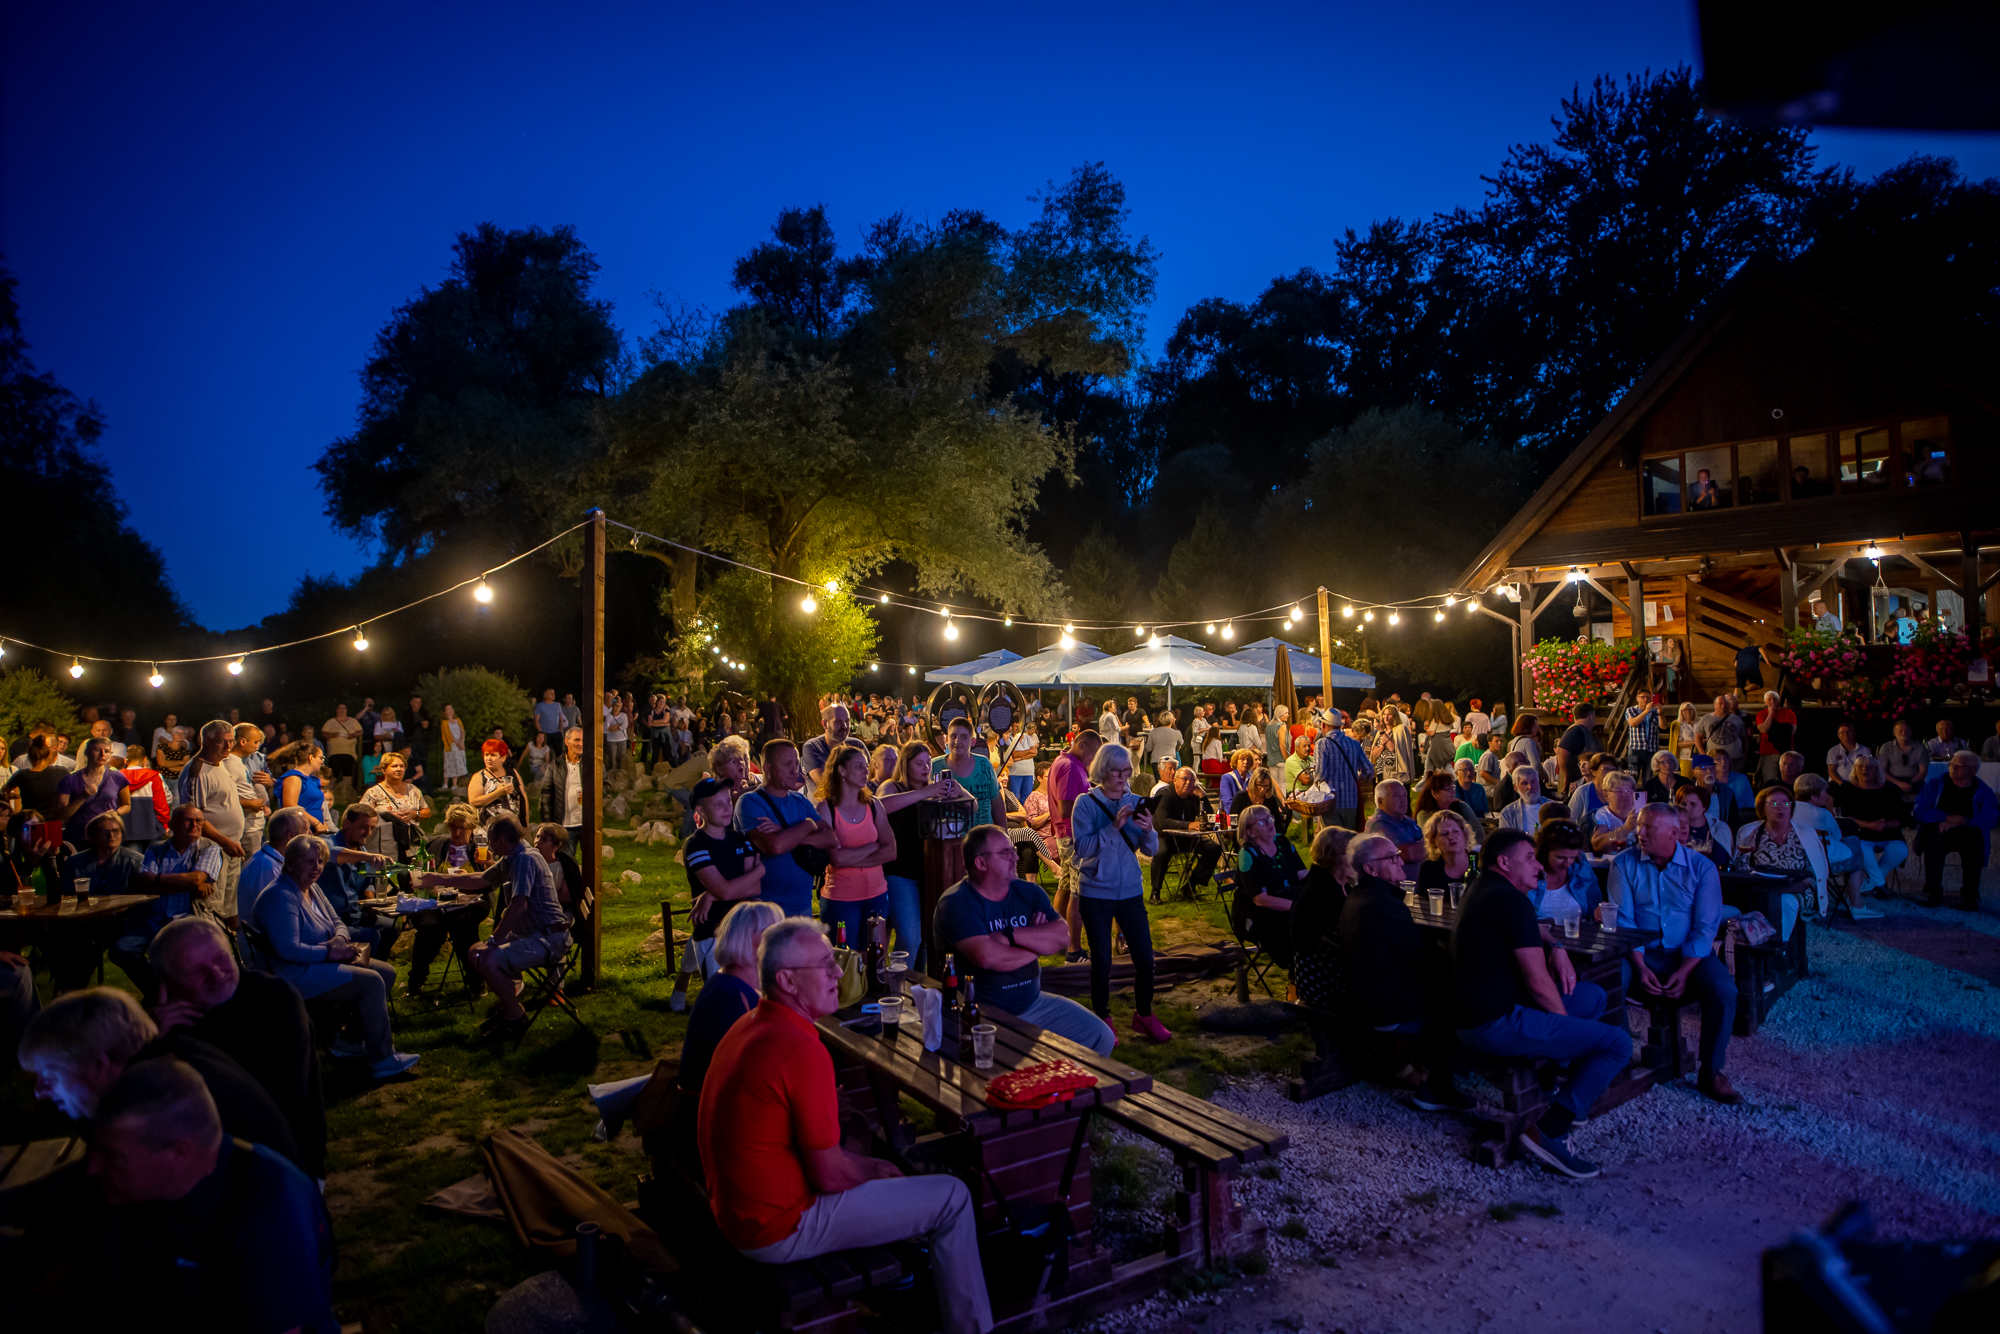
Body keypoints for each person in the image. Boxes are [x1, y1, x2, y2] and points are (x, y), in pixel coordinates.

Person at [700, 919, 992, 1334]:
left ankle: (910, 1279)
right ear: (787, 981)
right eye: (824, 966)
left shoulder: (749, 1025)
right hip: (776, 1228)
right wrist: (878, 1172)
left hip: (737, 1211)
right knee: (952, 1196)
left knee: (873, 1152)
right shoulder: (801, 1049)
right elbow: (830, 1174)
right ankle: (973, 1327)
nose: (839, 972)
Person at [59, 1060, 339, 1334]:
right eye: (94, 1149)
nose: (93, 1166)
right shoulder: (131, 1196)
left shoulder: (269, 1209)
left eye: (111, 1155)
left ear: (180, 1152)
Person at [1451, 829, 1632, 1180]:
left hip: (1480, 1012)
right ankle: (1550, 1130)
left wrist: (1557, 947)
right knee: (1618, 1043)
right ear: (1504, 863)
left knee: (1592, 995)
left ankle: (1553, 1083)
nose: (1538, 866)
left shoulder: (1487, 888)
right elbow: (1537, 981)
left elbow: (1531, 930)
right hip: (1491, 1023)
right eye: (1529, 858)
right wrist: (1567, 1032)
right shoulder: (1509, 900)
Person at [18, 987, 303, 1170]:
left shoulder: (156, 1105)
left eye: (50, 1076)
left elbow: (103, 1185)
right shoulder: (169, 1059)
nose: (40, 1092)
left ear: (100, 1064)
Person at [149, 916, 328, 1180]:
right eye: (196, 971)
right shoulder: (167, 1024)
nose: (216, 975)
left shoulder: (274, 1000)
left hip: (281, 1166)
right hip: (204, 1172)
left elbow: (280, 1099)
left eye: (221, 959)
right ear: (168, 985)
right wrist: (152, 1042)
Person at [936, 824, 1117, 1055]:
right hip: (980, 1012)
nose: (1016, 856)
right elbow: (988, 958)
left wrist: (1011, 936)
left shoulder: (1028, 892)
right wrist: (1037, 942)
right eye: (1006, 853)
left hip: (1034, 1003)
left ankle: (1067, 1088)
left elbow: (1062, 937)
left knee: (1101, 1037)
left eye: (1012, 849)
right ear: (980, 863)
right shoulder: (956, 903)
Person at [252, 833, 416, 1078]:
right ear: (292, 863)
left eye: (320, 861)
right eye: (309, 862)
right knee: (371, 982)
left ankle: (348, 1040)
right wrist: (330, 951)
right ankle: (381, 1059)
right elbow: (289, 950)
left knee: (387, 971)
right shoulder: (281, 895)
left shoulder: (312, 888)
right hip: (296, 972)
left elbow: (337, 921)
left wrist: (339, 940)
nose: (316, 867)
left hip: (318, 960)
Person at [1608, 804, 1740, 1103]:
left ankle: (1711, 1070)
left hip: (1689, 955)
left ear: (1674, 833)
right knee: (1609, 979)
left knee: (1724, 990)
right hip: (1640, 952)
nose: (1639, 833)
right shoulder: (1623, 863)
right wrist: (1640, 966)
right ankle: (1619, 1059)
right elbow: (1624, 921)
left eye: (1648, 828)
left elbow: (1706, 927)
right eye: (1639, 826)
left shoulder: (1701, 868)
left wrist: (1684, 970)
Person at [1341, 833, 1473, 1110]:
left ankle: (1414, 1066)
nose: (1399, 860)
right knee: (1463, 1001)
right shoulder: (1381, 905)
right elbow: (1425, 955)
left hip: (1369, 993)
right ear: (1370, 869)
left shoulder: (1364, 897)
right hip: (1383, 1005)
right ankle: (1438, 1087)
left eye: (1396, 855)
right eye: (1391, 857)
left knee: (1449, 986)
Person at [664, 899, 784, 1181]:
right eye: (773, 930)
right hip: (707, 1130)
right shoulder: (727, 998)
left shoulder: (738, 985)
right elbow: (751, 1077)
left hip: (718, 1116)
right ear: (747, 941)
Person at [1070, 742, 1172, 1043]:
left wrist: (1148, 828)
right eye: (1117, 771)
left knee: (1144, 957)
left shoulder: (1137, 800)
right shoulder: (1085, 803)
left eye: (1127, 770)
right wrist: (1113, 827)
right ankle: (1102, 1019)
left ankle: (1143, 1014)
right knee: (1102, 959)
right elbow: (1083, 848)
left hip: (1129, 890)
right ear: (1103, 771)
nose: (1123, 777)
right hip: (1095, 891)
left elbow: (1151, 850)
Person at [439, 815, 575, 1040]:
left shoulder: (525, 860)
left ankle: (515, 1017)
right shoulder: (515, 854)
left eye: (491, 840)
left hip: (549, 937)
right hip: (535, 933)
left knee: (488, 958)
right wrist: (438, 879)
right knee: (474, 952)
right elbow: (483, 880)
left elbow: (518, 904)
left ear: (501, 840)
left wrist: (495, 940)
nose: (489, 846)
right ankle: (508, 1004)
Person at [672, 777, 766, 1012]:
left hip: (743, 931)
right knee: (721, 1004)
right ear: (700, 810)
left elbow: (754, 889)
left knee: (748, 999)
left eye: (728, 801)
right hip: (713, 933)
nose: (727, 808)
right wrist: (759, 871)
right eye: (718, 804)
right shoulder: (695, 845)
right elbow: (727, 888)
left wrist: (712, 895)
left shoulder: (739, 838)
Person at [811, 742, 895, 947]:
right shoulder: (826, 808)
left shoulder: (874, 805)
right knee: (845, 961)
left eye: (866, 765)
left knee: (874, 958)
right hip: (840, 899)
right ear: (841, 771)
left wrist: (853, 858)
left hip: (876, 895)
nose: (865, 770)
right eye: (858, 766)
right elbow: (837, 859)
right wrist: (873, 846)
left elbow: (891, 850)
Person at [739, 740, 830, 920]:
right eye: (787, 764)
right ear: (767, 768)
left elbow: (830, 838)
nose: (794, 770)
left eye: (796, 764)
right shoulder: (750, 802)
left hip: (803, 906)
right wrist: (808, 825)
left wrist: (787, 832)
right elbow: (775, 846)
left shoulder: (800, 800)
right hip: (766, 910)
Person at [175, 720, 252, 928]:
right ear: (205, 741)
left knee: (230, 905)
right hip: (212, 849)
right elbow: (194, 818)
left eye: (230, 741)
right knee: (212, 906)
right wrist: (223, 840)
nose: (228, 747)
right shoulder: (199, 770)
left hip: (229, 846)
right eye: (221, 742)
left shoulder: (220, 765)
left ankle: (233, 949)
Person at [1912, 750, 1997, 911]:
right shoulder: (1936, 785)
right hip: (1939, 829)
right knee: (1932, 842)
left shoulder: (1983, 791)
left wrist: (1965, 821)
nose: (1952, 768)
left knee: (1975, 845)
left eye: (1958, 766)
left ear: (1972, 770)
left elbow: (1991, 816)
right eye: (1951, 764)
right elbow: (1919, 809)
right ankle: (1934, 893)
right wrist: (1944, 817)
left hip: (1968, 831)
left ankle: (1970, 896)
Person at [1045, 729, 1101, 963]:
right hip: (1072, 835)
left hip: (1065, 834)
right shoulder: (1069, 766)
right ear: (1083, 745)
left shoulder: (1063, 761)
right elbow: (1066, 807)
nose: (1094, 759)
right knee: (1078, 895)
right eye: (1094, 753)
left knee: (1066, 886)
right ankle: (1074, 951)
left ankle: (1052, 940)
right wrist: (1094, 802)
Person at [1736, 786, 1832, 921]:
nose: (1780, 807)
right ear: (1762, 807)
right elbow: (1740, 866)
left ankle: (1782, 940)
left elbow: (1816, 871)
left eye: (1786, 803)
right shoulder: (1749, 831)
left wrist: (1799, 884)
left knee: (1785, 901)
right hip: (1761, 888)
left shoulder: (1806, 832)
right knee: (1765, 899)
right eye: (1774, 803)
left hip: (1796, 888)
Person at [1793, 773, 1877, 918]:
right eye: (1824, 792)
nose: (1827, 795)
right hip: (1822, 863)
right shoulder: (1821, 813)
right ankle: (1857, 905)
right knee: (1854, 846)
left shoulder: (1787, 808)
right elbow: (1838, 836)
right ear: (1814, 796)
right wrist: (1830, 809)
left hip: (1796, 861)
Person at [1233, 804, 1305, 966]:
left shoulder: (1282, 842)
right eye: (1262, 822)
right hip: (1258, 915)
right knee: (1300, 926)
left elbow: (1303, 875)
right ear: (1250, 832)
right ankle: (1298, 970)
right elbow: (1260, 899)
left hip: (1287, 906)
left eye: (1270, 818)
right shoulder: (1248, 854)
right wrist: (1297, 906)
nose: (1270, 823)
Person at [1837, 757, 1909, 894]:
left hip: (1887, 832)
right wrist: (1869, 825)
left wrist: (1885, 824)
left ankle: (1872, 882)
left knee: (1900, 850)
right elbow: (1845, 817)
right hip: (1860, 833)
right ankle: (1880, 884)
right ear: (1855, 770)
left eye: (1870, 767)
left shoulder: (1890, 789)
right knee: (1861, 848)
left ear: (1877, 771)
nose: (1865, 769)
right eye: (1860, 767)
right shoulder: (1847, 788)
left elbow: (1903, 818)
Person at [1151, 764, 1221, 901]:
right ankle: (1155, 892)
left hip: (1185, 837)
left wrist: (1203, 796)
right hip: (1164, 836)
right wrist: (1188, 824)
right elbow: (1163, 822)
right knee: (1161, 853)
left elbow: (1209, 818)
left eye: (1192, 780)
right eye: (1185, 779)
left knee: (1214, 848)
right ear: (1175, 780)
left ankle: (1191, 884)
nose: (1188, 783)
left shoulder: (1194, 796)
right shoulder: (1164, 795)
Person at [361, 751, 429, 860]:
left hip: (411, 845)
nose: (398, 769)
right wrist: (387, 815)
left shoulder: (413, 790)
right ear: (383, 770)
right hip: (385, 844)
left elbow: (427, 812)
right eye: (394, 766)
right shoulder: (373, 792)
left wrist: (414, 814)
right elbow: (362, 814)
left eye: (401, 766)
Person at [1529, 820, 1601, 919]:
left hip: (1576, 932)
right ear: (1545, 852)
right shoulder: (1528, 872)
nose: (1567, 863)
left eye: (1572, 857)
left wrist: (1599, 913)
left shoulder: (1581, 870)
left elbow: (1593, 909)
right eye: (1560, 857)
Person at [537, 726, 586, 849]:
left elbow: (606, 785)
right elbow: (546, 794)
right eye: (577, 740)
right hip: (564, 825)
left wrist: (592, 794)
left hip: (587, 823)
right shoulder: (555, 766)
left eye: (583, 741)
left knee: (592, 862)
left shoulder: (592, 763)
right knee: (566, 861)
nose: (581, 744)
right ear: (566, 741)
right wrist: (547, 824)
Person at [1415, 810, 1479, 901]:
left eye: (1456, 831)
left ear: (1464, 835)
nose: (1451, 837)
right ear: (1434, 841)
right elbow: (1423, 903)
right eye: (1444, 833)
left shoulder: (1482, 861)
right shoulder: (1428, 868)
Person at [271, 740, 331, 833]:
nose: (322, 762)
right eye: (321, 758)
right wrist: (316, 823)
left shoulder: (311, 779)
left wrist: (323, 825)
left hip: (315, 829)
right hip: (299, 828)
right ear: (311, 757)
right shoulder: (294, 778)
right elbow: (290, 806)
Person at [1365, 779, 1425, 870]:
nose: (1403, 799)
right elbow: (1406, 854)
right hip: (1396, 882)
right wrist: (1435, 844)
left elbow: (1429, 842)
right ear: (1381, 801)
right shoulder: (1378, 823)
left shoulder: (1407, 820)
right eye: (1396, 795)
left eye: (1405, 795)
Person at [467, 738, 527, 827]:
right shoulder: (479, 777)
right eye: (486, 755)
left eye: (493, 755)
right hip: (486, 830)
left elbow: (523, 798)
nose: (488, 759)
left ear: (503, 758)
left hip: (513, 829)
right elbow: (474, 802)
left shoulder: (513, 773)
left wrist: (525, 823)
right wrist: (497, 793)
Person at [1675, 785, 1730, 872]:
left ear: (1704, 807)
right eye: (1683, 804)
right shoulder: (1674, 829)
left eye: (1693, 804)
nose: (1687, 808)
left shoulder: (1719, 828)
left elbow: (1722, 860)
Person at [802, 703, 853, 789]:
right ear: (824, 724)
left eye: (847, 721)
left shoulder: (857, 745)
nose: (844, 726)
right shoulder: (813, 747)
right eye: (838, 722)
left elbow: (870, 778)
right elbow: (825, 785)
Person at [1590, 771, 1642, 854]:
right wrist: (1626, 828)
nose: (1625, 794)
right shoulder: (1602, 815)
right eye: (1619, 791)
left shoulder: (1642, 813)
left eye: (1628, 791)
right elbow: (1597, 845)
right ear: (1606, 795)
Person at [1499, 765, 1560, 833]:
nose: (1530, 787)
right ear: (1515, 787)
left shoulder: (1555, 808)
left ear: (1539, 782)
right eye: (1524, 783)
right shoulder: (1508, 813)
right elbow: (1506, 841)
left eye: (1533, 782)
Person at [1753, 691, 1798, 784]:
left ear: (1779, 700)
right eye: (1769, 699)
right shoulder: (1761, 714)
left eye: (1774, 699)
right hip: (1768, 752)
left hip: (1786, 751)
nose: (1772, 701)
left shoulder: (1788, 712)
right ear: (1765, 702)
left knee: (1788, 779)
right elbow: (1764, 729)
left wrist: (1775, 728)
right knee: (1770, 779)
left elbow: (1792, 730)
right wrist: (1770, 714)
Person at [1877, 719, 1928, 798]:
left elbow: (1923, 771)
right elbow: (1882, 770)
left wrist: (1910, 783)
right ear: (1894, 733)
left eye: (1906, 730)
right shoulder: (1886, 747)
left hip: (1914, 780)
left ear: (1911, 732)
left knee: (1924, 793)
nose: (1904, 733)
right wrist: (1899, 783)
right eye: (1900, 731)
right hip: (1893, 781)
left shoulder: (1920, 748)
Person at [1555, 705, 1597, 796]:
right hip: (1576, 785)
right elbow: (1561, 751)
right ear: (1591, 716)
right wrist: (1567, 778)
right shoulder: (1575, 730)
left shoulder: (1581, 731)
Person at [322, 703, 362, 787]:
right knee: (333, 776)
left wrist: (353, 735)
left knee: (347, 776)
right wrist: (332, 735)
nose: (342, 710)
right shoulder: (330, 722)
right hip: (334, 754)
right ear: (336, 710)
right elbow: (324, 733)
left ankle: (346, 796)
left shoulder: (353, 721)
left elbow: (360, 731)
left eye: (344, 708)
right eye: (340, 708)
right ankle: (330, 795)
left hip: (349, 754)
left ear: (346, 710)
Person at [1825, 724, 1870, 789]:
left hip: (1858, 785)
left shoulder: (1864, 750)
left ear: (1854, 733)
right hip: (1837, 785)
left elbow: (1868, 769)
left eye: (1848, 732)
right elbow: (1831, 770)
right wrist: (1842, 784)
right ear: (1838, 735)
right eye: (1842, 732)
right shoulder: (1833, 751)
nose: (1846, 734)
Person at [440, 703, 467, 788]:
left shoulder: (457, 720)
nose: (450, 710)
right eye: (448, 709)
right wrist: (457, 743)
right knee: (449, 763)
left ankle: (454, 784)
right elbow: (448, 735)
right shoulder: (444, 723)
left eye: (451, 708)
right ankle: (445, 783)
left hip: (459, 744)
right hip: (451, 745)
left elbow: (462, 731)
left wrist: (461, 741)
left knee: (457, 763)